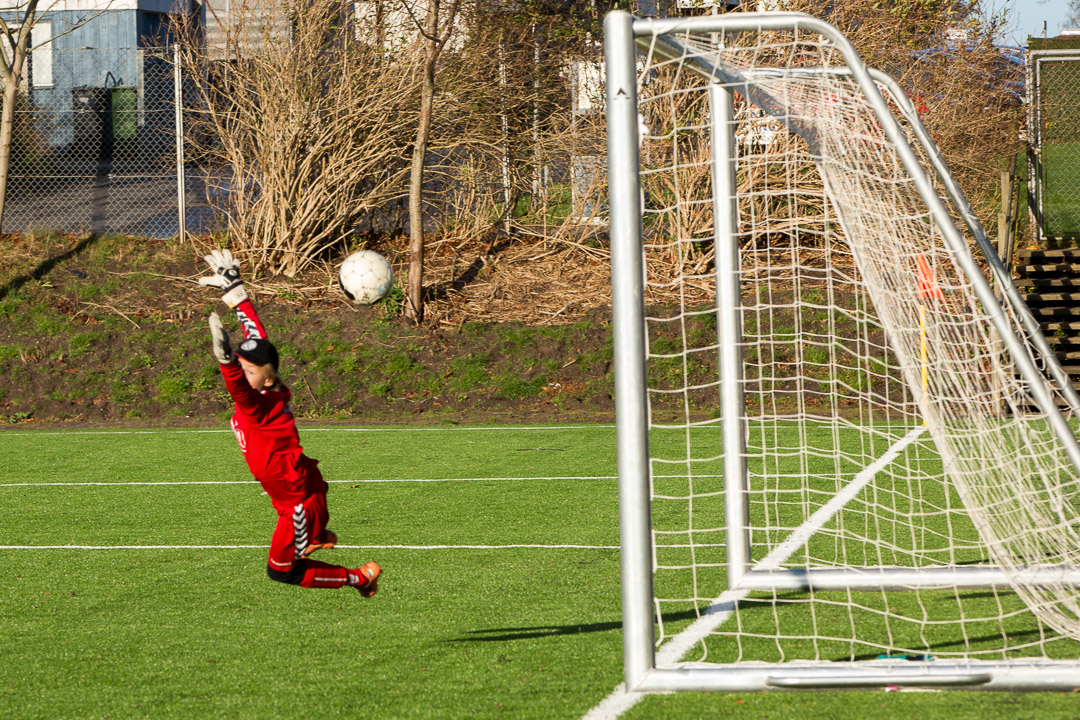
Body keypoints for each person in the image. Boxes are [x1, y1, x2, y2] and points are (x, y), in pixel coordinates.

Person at [199, 248, 380, 597]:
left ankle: (361, 577)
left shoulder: (258, 405)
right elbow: (258, 336)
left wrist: (227, 365)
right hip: (300, 494)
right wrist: (235, 291)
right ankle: (316, 535)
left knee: (281, 572)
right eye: (240, 365)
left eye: (249, 370)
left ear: (266, 379)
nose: (243, 372)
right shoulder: (270, 392)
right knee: (291, 554)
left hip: (297, 506)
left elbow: (239, 390)